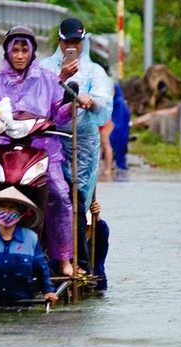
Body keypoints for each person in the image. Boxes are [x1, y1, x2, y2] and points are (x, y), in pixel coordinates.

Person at [0, 25, 75, 277]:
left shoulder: (48, 79)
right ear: (7, 52)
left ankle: (63, 258)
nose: (20, 55)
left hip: (43, 150)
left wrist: (73, 104)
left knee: (59, 193)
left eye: (25, 50)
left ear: (32, 52)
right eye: (15, 50)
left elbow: (58, 113)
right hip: (2, 149)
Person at [40, 18, 113, 274]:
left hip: (82, 143)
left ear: (84, 42)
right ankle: (47, 254)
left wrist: (90, 102)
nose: (73, 46)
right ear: (60, 42)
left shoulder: (94, 72)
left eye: (77, 42)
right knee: (49, 195)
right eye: (68, 41)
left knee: (77, 199)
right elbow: (39, 96)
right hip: (50, 138)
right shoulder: (45, 68)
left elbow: (105, 103)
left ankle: (78, 259)